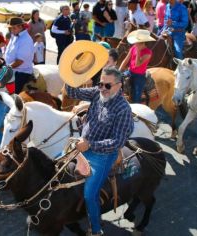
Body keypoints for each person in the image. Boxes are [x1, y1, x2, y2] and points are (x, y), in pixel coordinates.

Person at [63, 42, 134, 234]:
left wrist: (89, 145)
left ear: (119, 86)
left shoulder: (123, 110)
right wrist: (72, 73)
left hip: (103, 156)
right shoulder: (97, 92)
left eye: (107, 85)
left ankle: (96, 229)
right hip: (83, 145)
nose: (102, 88)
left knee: (89, 194)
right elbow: (72, 92)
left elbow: (117, 142)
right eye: (101, 83)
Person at [119, 29, 154, 103]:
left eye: (136, 42)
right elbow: (125, 60)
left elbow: (137, 64)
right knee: (117, 82)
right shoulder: (133, 48)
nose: (135, 44)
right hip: (130, 71)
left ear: (142, 43)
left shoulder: (148, 53)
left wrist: (138, 52)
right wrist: (118, 71)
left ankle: (136, 109)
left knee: (136, 96)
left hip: (139, 75)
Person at [4, 17, 34, 94]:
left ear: (21, 27)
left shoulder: (26, 40)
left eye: (14, 28)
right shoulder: (14, 36)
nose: (11, 30)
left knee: (12, 95)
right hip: (11, 69)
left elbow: (19, 61)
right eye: (11, 28)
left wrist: (7, 68)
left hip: (21, 72)